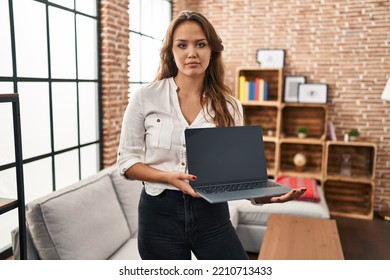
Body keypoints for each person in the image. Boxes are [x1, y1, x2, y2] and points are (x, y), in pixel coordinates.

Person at [117, 10, 306, 260]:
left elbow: (236, 175)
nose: (192, 53)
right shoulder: (145, 97)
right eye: (182, 45)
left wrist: (265, 197)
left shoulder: (231, 106)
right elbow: (126, 162)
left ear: (212, 50)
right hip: (159, 215)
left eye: (201, 44)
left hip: (211, 215)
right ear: (171, 52)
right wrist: (168, 177)